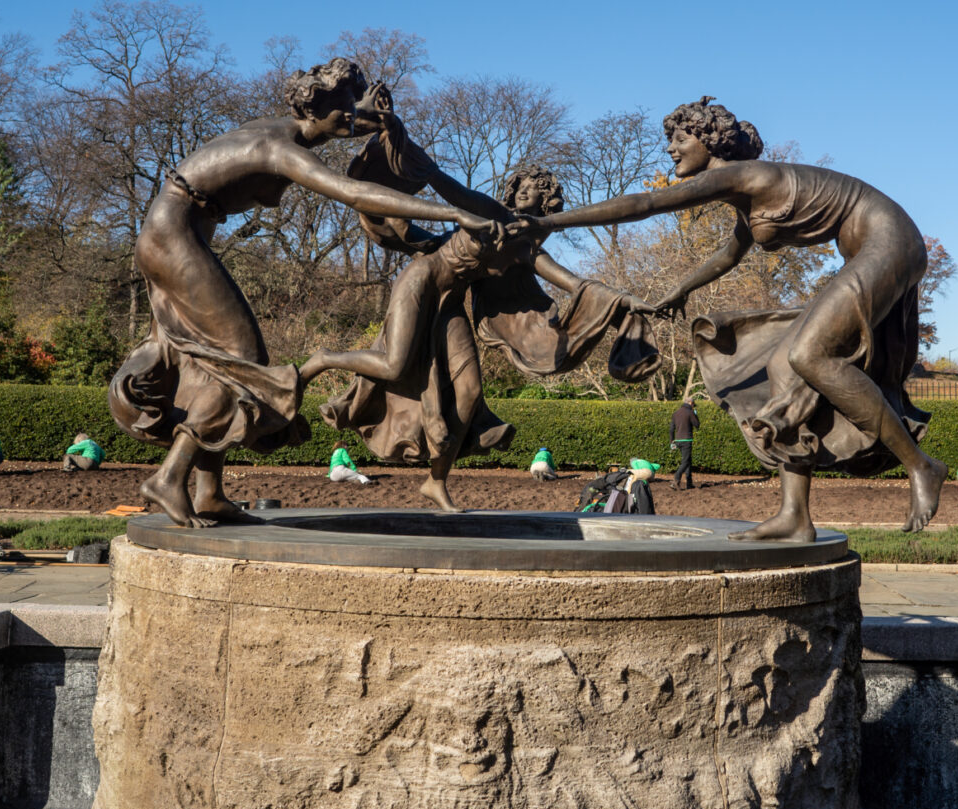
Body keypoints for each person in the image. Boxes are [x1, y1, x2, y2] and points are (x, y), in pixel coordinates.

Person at [526, 97, 944, 541]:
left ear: (710, 141)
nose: (670, 149)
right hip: (871, 249)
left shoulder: (744, 173)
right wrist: (681, 289)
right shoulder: (746, 195)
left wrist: (550, 223)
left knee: (808, 355)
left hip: (890, 239)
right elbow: (728, 255)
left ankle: (921, 466)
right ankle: (795, 517)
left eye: (680, 138)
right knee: (782, 367)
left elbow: (647, 202)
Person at [106, 58, 496, 528]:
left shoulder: (294, 130)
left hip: (176, 231)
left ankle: (208, 493)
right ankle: (170, 478)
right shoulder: (281, 150)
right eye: (344, 112)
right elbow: (355, 194)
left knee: (222, 361)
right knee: (245, 362)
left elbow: (338, 128)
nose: (351, 121)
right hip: (174, 236)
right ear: (316, 111)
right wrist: (452, 215)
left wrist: (373, 116)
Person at [304, 161, 654, 511]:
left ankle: (436, 480)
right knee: (394, 366)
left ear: (544, 204)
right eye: (520, 188)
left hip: (452, 302)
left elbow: (576, 284)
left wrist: (625, 301)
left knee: (470, 391)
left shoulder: (525, 249)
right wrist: (423, 165)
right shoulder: (491, 212)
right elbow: (457, 193)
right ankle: (323, 360)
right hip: (422, 280)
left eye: (532, 191)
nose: (522, 194)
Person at [670, 397, 701, 489]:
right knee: (686, 461)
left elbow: (671, 429)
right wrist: (695, 415)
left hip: (678, 440)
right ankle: (676, 479)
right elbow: (697, 425)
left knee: (688, 461)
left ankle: (689, 483)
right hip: (687, 440)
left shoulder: (675, 413)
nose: (693, 406)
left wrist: (672, 441)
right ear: (690, 403)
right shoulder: (690, 412)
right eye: (693, 404)